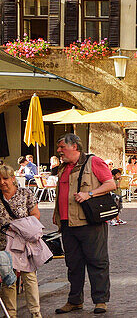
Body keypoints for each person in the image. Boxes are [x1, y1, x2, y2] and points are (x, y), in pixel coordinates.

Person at [53, 133, 116, 315]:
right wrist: (58, 215)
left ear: (75, 147)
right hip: (67, 224)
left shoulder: (93, 162)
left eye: (62, 147)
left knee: (97, 261)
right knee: (73, 264)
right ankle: (74, 300)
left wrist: (89, 194)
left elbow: (110, 184)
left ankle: (100, 300)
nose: (59, 151)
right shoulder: (63, 167)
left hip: (89, 222)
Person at [0, 162, 45, 318]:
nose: (2, 182)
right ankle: (11, 314)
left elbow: (36, 215)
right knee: (8, 279)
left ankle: (35, 313)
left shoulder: (25, 193)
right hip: (3, 244)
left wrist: (21, 226)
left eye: (5, 178)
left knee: (29, 277)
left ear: (13, 178)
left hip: (24, 243)